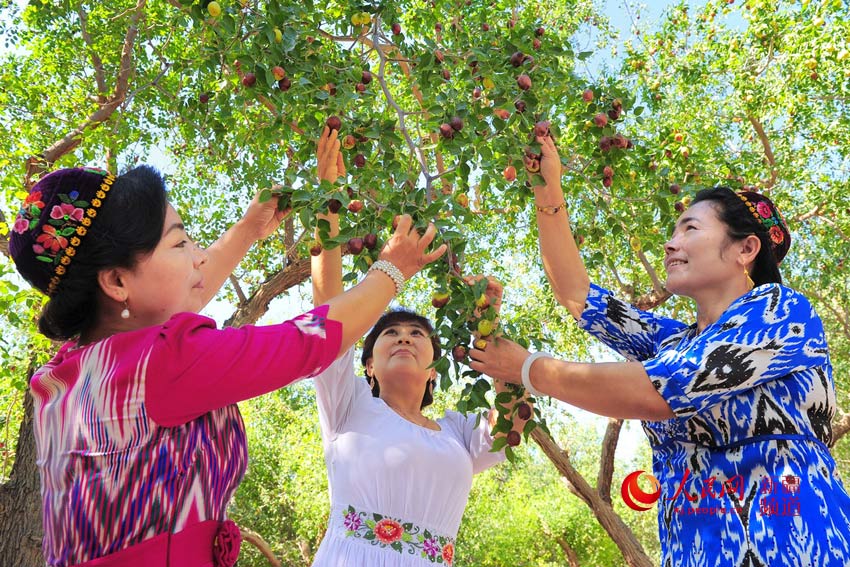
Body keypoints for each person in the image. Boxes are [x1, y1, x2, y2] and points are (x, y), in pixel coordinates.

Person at [8, 131, 446, 567]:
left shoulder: (73, 368)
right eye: (180, 242)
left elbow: (177, 294)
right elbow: (307, 342)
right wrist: (391, 269)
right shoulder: (165, 361)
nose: (198, 257)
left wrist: (249, 229)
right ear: (117, 282)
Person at [469, 134, 850, 566]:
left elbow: (660, 389)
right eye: (673, 230)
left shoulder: (781, 312)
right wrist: (547, 187)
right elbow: (578, 295)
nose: (670, 243)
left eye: (690, 228)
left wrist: (530, 369)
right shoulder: (672, 342)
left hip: (796, 548)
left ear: (746, 248)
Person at [308, 128, 528, 566]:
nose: (404, 336)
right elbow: (329, 311)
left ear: (434, 371)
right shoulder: (346, 403)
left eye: (417, 334)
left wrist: (490, 324)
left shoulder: (458, 432)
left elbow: (511, 427)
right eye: (389, 333)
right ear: (367, 366)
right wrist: (328, 199)